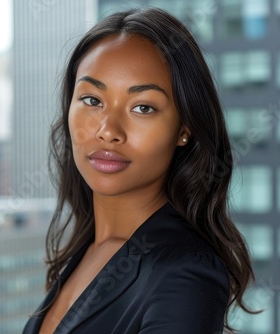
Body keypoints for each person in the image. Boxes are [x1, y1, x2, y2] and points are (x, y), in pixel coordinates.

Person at [23, 7, 257, 334]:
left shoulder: (185, 272)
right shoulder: (88, 249)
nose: (108, 130)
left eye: (142, 107)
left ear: (183, 128)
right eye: (92, 100)